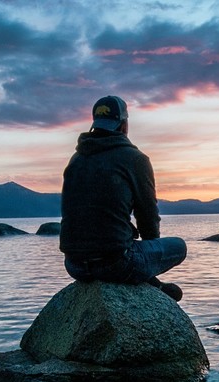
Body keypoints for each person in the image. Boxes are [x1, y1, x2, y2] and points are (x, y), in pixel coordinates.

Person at [59, 95, 187, 301]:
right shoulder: (135, 159)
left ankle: (152, 283)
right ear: (124, 125)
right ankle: (152, 283)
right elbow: (147, 216)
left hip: (74, 265)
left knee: (124, 245)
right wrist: (148, 259)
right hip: (116, 264)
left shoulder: (76, 160)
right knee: (179, 246)